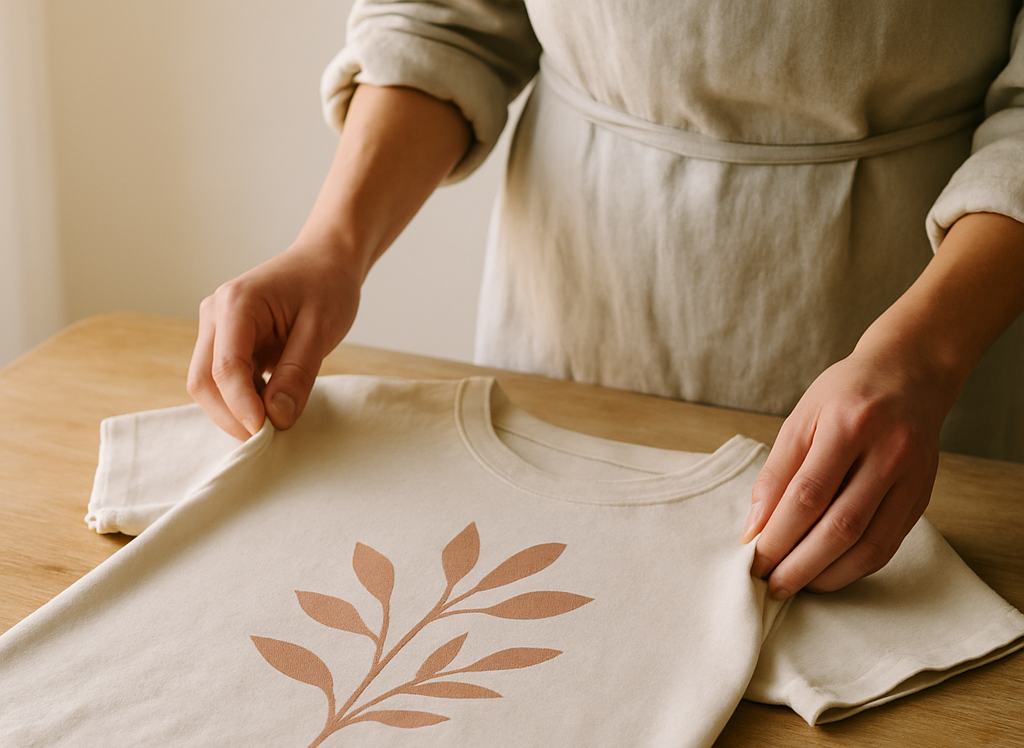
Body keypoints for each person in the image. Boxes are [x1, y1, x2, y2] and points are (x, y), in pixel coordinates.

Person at [187, 1, 1024, 602]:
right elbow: (448, 21)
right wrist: (329, 248)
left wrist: (925, 354)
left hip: (928, 313)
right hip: (572, 307)